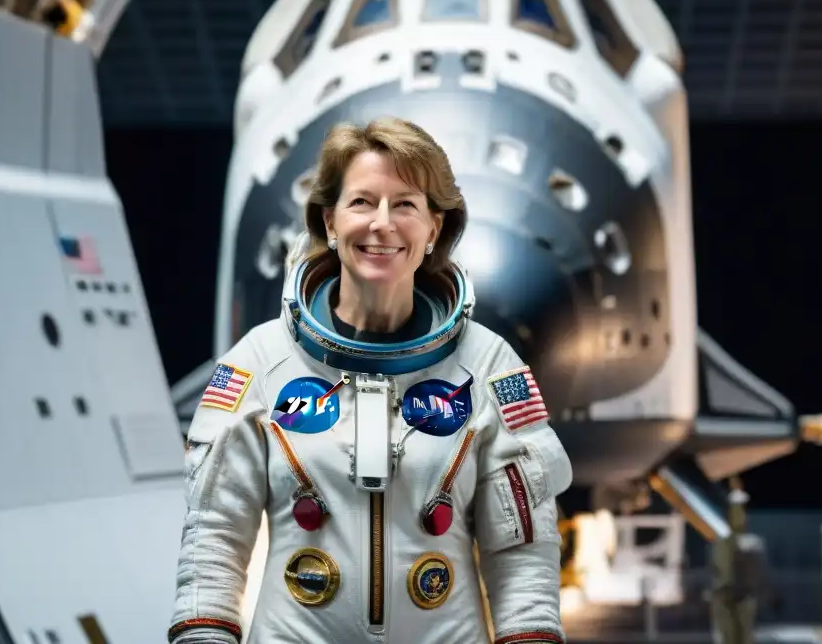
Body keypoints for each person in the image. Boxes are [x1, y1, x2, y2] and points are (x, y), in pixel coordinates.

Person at [167, 117, 573, 644]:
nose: (382, 223)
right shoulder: (262, 361)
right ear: (329, 222)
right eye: (362, 202)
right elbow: (214, 533)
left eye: (405, 204)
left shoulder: (487, 364)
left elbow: (521, 547)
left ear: (435, 228)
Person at [710, 478, 764, 644]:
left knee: (732, 632)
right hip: (735, 593)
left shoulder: (729, 543)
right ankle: (736, 500)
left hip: (732, 593)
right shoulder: (732, 543)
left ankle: (735, 499)